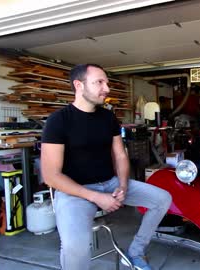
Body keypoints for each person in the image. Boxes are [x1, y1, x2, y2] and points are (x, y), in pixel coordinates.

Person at [41, 63, 172, 270]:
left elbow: (120, 155)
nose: (107, 88)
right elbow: (50, 175)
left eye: (107, 82)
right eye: (99, 82)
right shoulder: (58, 121)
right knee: (75, 246)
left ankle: (136, 252)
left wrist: (122, 185)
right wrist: (95, 197)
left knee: (162, 199)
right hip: (74, 192)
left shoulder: (107, 116)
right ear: (79, 85)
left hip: (110, 183)